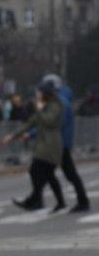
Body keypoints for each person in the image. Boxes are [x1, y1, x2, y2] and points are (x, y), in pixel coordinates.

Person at [5, 79, 65, 212]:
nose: (37, 94)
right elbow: (30, 122)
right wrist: (13, 135)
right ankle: (45, 200)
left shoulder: (55, 105)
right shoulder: (45, 106)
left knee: (37, 171)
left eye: (39, 92)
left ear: (45, 93)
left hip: (50, 145)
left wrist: (39, 110)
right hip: (44, 145)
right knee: (46, 175)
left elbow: (48, 120)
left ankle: (35, 200)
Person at [44, 74, 90, 212]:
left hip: (60, 144)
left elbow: (56, 122)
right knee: (64, 173)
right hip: (60, 143)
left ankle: (78, 201)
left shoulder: (60, 102)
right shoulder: (61, 100)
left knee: (65, 173)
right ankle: (73, 201)